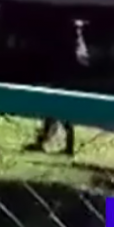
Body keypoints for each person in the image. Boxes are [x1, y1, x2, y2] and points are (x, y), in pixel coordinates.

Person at [25, 19, 90, 156]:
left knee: (61, 116)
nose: (78, 32)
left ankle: (61, 145)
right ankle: (49, 142)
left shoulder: (74, 45)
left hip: (65, 84)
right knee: (55, 115)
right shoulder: (76, 45)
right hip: (63, 83)